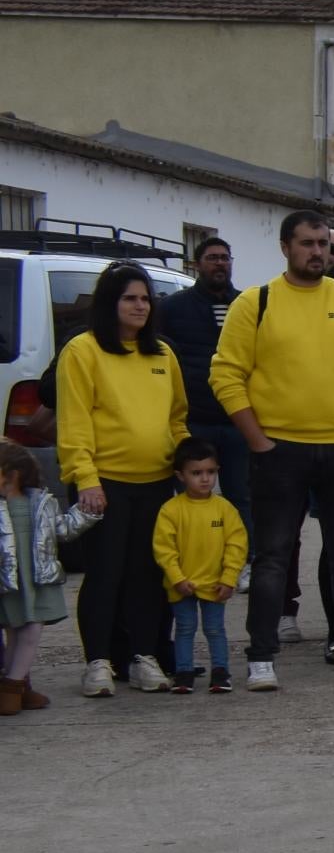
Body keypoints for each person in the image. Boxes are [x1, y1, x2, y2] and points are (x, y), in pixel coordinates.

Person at [211, 211, 334, 690]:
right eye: (308, 243)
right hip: (280, 450)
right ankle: (261, 657)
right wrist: (259, 440)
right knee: (272, 557)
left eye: (324, 244)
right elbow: (226, 375)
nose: (318, 253)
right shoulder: (257, 302)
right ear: (285, 247)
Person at [57, 259, 187, 696]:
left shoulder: (163, 354)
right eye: (129, 298)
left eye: (145, 299)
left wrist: (187, 466)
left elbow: (177, 419)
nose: (139, 306)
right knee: (105, 574)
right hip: (104, 485)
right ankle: (98, 661)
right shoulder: (82, 351)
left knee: (147, 575)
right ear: (109, 303)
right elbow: (74, 422)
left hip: (156, 482)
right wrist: (85, 478)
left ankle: (143, 657)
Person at [155, 235, 247, 513]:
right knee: (192, 498)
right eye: (212, 258)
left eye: (224, 258)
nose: (219, 264)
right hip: (194, 421)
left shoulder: (248, 306)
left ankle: (245, 553)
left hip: (240, 421)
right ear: (197, 265)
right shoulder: (172, 308)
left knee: (242, 497)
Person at [152, 438, 248, 693]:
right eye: (196, 473)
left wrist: (229, 578)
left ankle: (220, 671)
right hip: (182, 584)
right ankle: (183, 672)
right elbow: (164, 548)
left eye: (210, 472)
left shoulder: (225, 508)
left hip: (216, 584)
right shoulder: (171, 510)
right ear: (180, 476)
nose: (205, 479)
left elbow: (237, 544)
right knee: (184, 628)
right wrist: (176, 578)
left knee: (215, 629)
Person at [0, 441, 72, 713]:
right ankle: (14, 686)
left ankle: (15, 686)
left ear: (13, 475)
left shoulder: (41, 502)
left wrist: (89, 512)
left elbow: (63, 529)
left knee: (30, 631)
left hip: (37, 580)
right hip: (11, 583)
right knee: (17, 632)